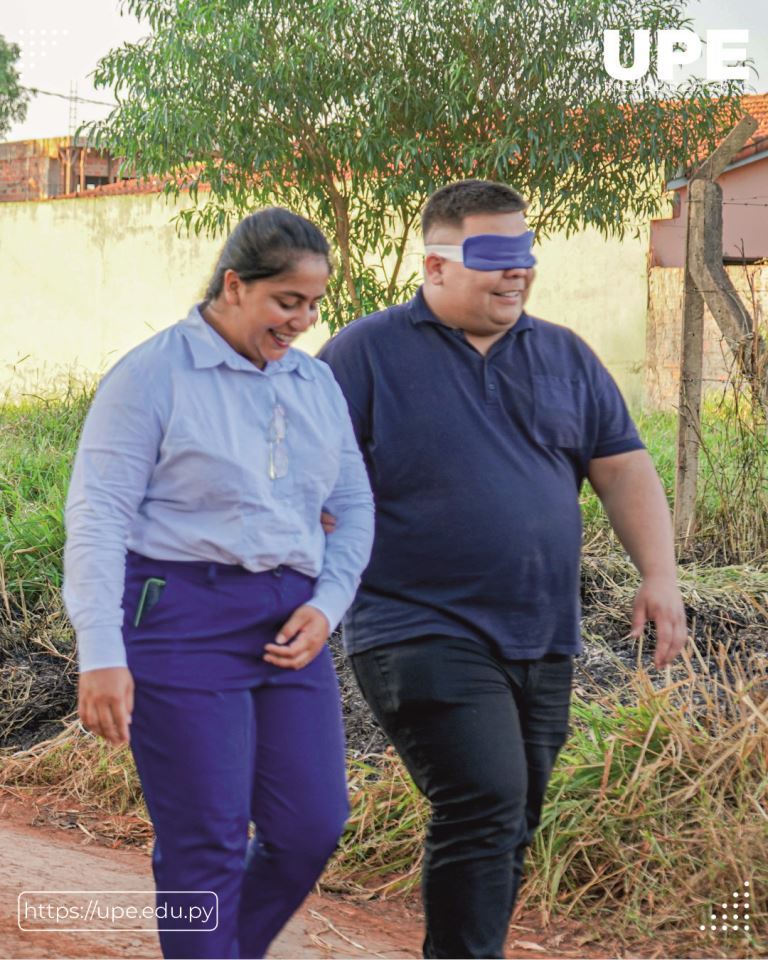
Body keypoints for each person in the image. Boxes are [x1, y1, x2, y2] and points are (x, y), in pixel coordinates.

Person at [318, 179, 687, 959]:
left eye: (524, 254)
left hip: (540, 631)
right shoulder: (364, 354)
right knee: (485, 799)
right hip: (413, 624)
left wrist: (661, 577)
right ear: (437, 265)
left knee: (513, 815)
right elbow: (303, 483)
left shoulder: (564, 356)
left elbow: (622, 471)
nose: (516, 271)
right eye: (494, 256)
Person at [62, 207, 375, 960]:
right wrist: (100, 650)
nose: (301, 320)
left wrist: (327, 608)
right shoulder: (153, 375)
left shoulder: (315, 384)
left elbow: (354, 507)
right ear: (234, 285)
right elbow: (98, 514)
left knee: (309, 826)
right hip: (177, 616)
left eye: (313, 305)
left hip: (287, 623)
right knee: (206, 839)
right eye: (286, 301)